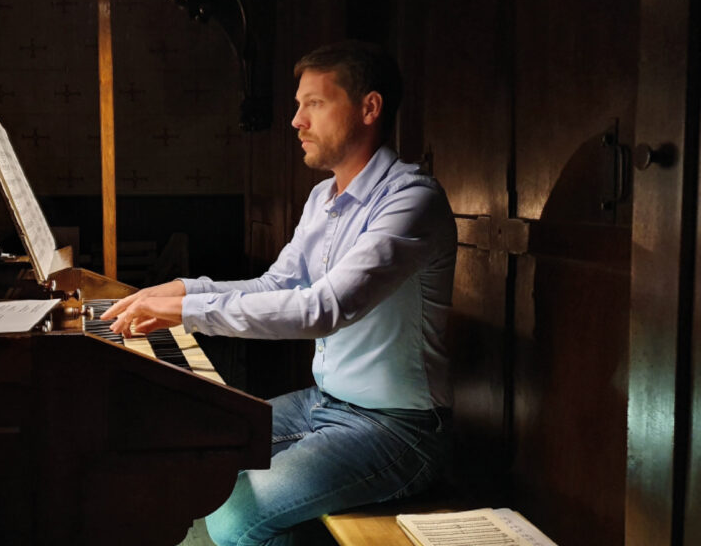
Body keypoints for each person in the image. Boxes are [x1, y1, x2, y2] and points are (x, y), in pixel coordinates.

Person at [101, 39, 457, 546]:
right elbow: (279, 284)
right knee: (203, 456)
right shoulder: (322, 197)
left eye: (313, 103)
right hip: (324, 402)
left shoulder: (411, 198)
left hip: (399, 429)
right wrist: (183, 286)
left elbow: (326, 308)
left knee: (235, 518)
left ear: (369, 108)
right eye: (297, 105)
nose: (296, 121)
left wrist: (186, 310)